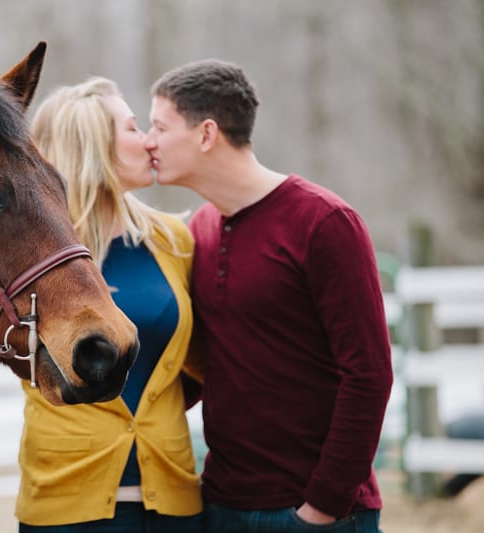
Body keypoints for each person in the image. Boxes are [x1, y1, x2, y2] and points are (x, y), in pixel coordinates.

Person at [0, 77, 204, 532]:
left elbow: (201, 364)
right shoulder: (26, 253)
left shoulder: (173, 241)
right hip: (66, 507)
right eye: (134, 129)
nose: (148, 141)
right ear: (94, 145)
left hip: (173, 505)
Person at [144, 59, 394, 532]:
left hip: (316, 512)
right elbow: (206, 365)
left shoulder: (323, 223)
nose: (148, 141)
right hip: (220, 505)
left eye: (159, 126)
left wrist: (322, 506)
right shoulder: (199, 229)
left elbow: (368, 374)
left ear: (206, 134)